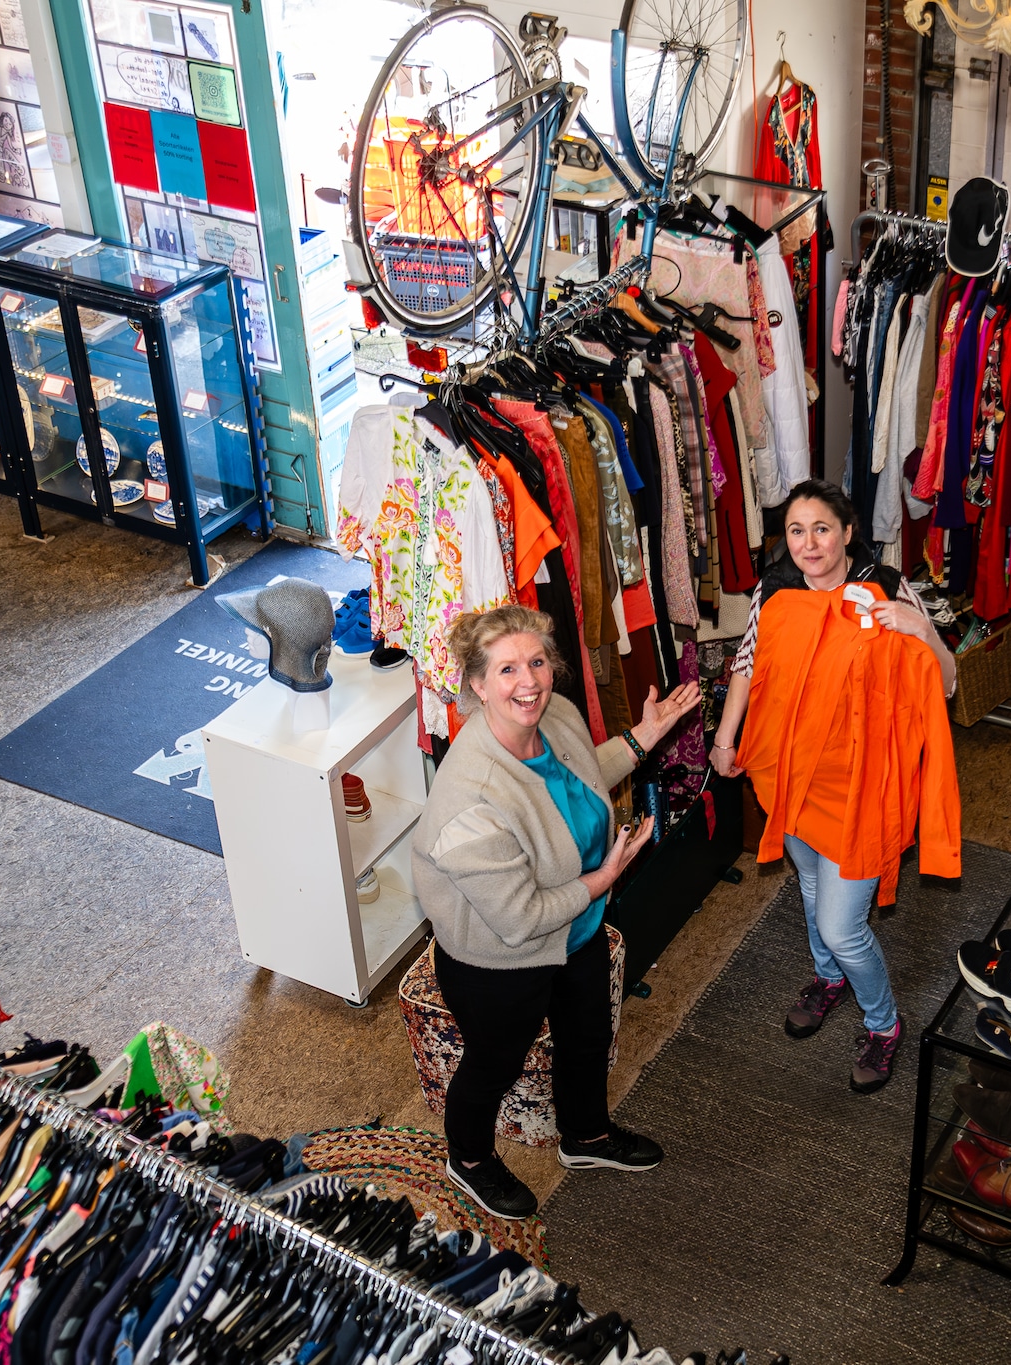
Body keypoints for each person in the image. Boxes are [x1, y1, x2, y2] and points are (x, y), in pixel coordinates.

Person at [411, 604, 703, 1219]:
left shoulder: (556, 715)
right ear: (477, 685)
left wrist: (640, 739)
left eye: (538, 662)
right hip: (499, 958)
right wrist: (603, 879)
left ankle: (586, 1138)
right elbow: (518, 918)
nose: (530, 681)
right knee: (495, 1062)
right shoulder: (468, 798)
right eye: (509, 669)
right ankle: (465, 1158)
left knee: (587, 1035)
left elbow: (575, 776)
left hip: (577, 927)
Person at [711, 479, 960, 1093]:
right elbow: (747, 667)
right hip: (791, 775)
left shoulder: (887, 585)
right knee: (813, 884)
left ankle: (884, 1024)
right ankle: (829, 980)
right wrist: (725, 738)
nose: (809, 543)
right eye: (796, 531)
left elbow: (948, 682)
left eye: (821, 528)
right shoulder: (775, 590)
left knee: (842, 924)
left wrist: (917, 627)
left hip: (864, 784)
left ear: (848, 531)